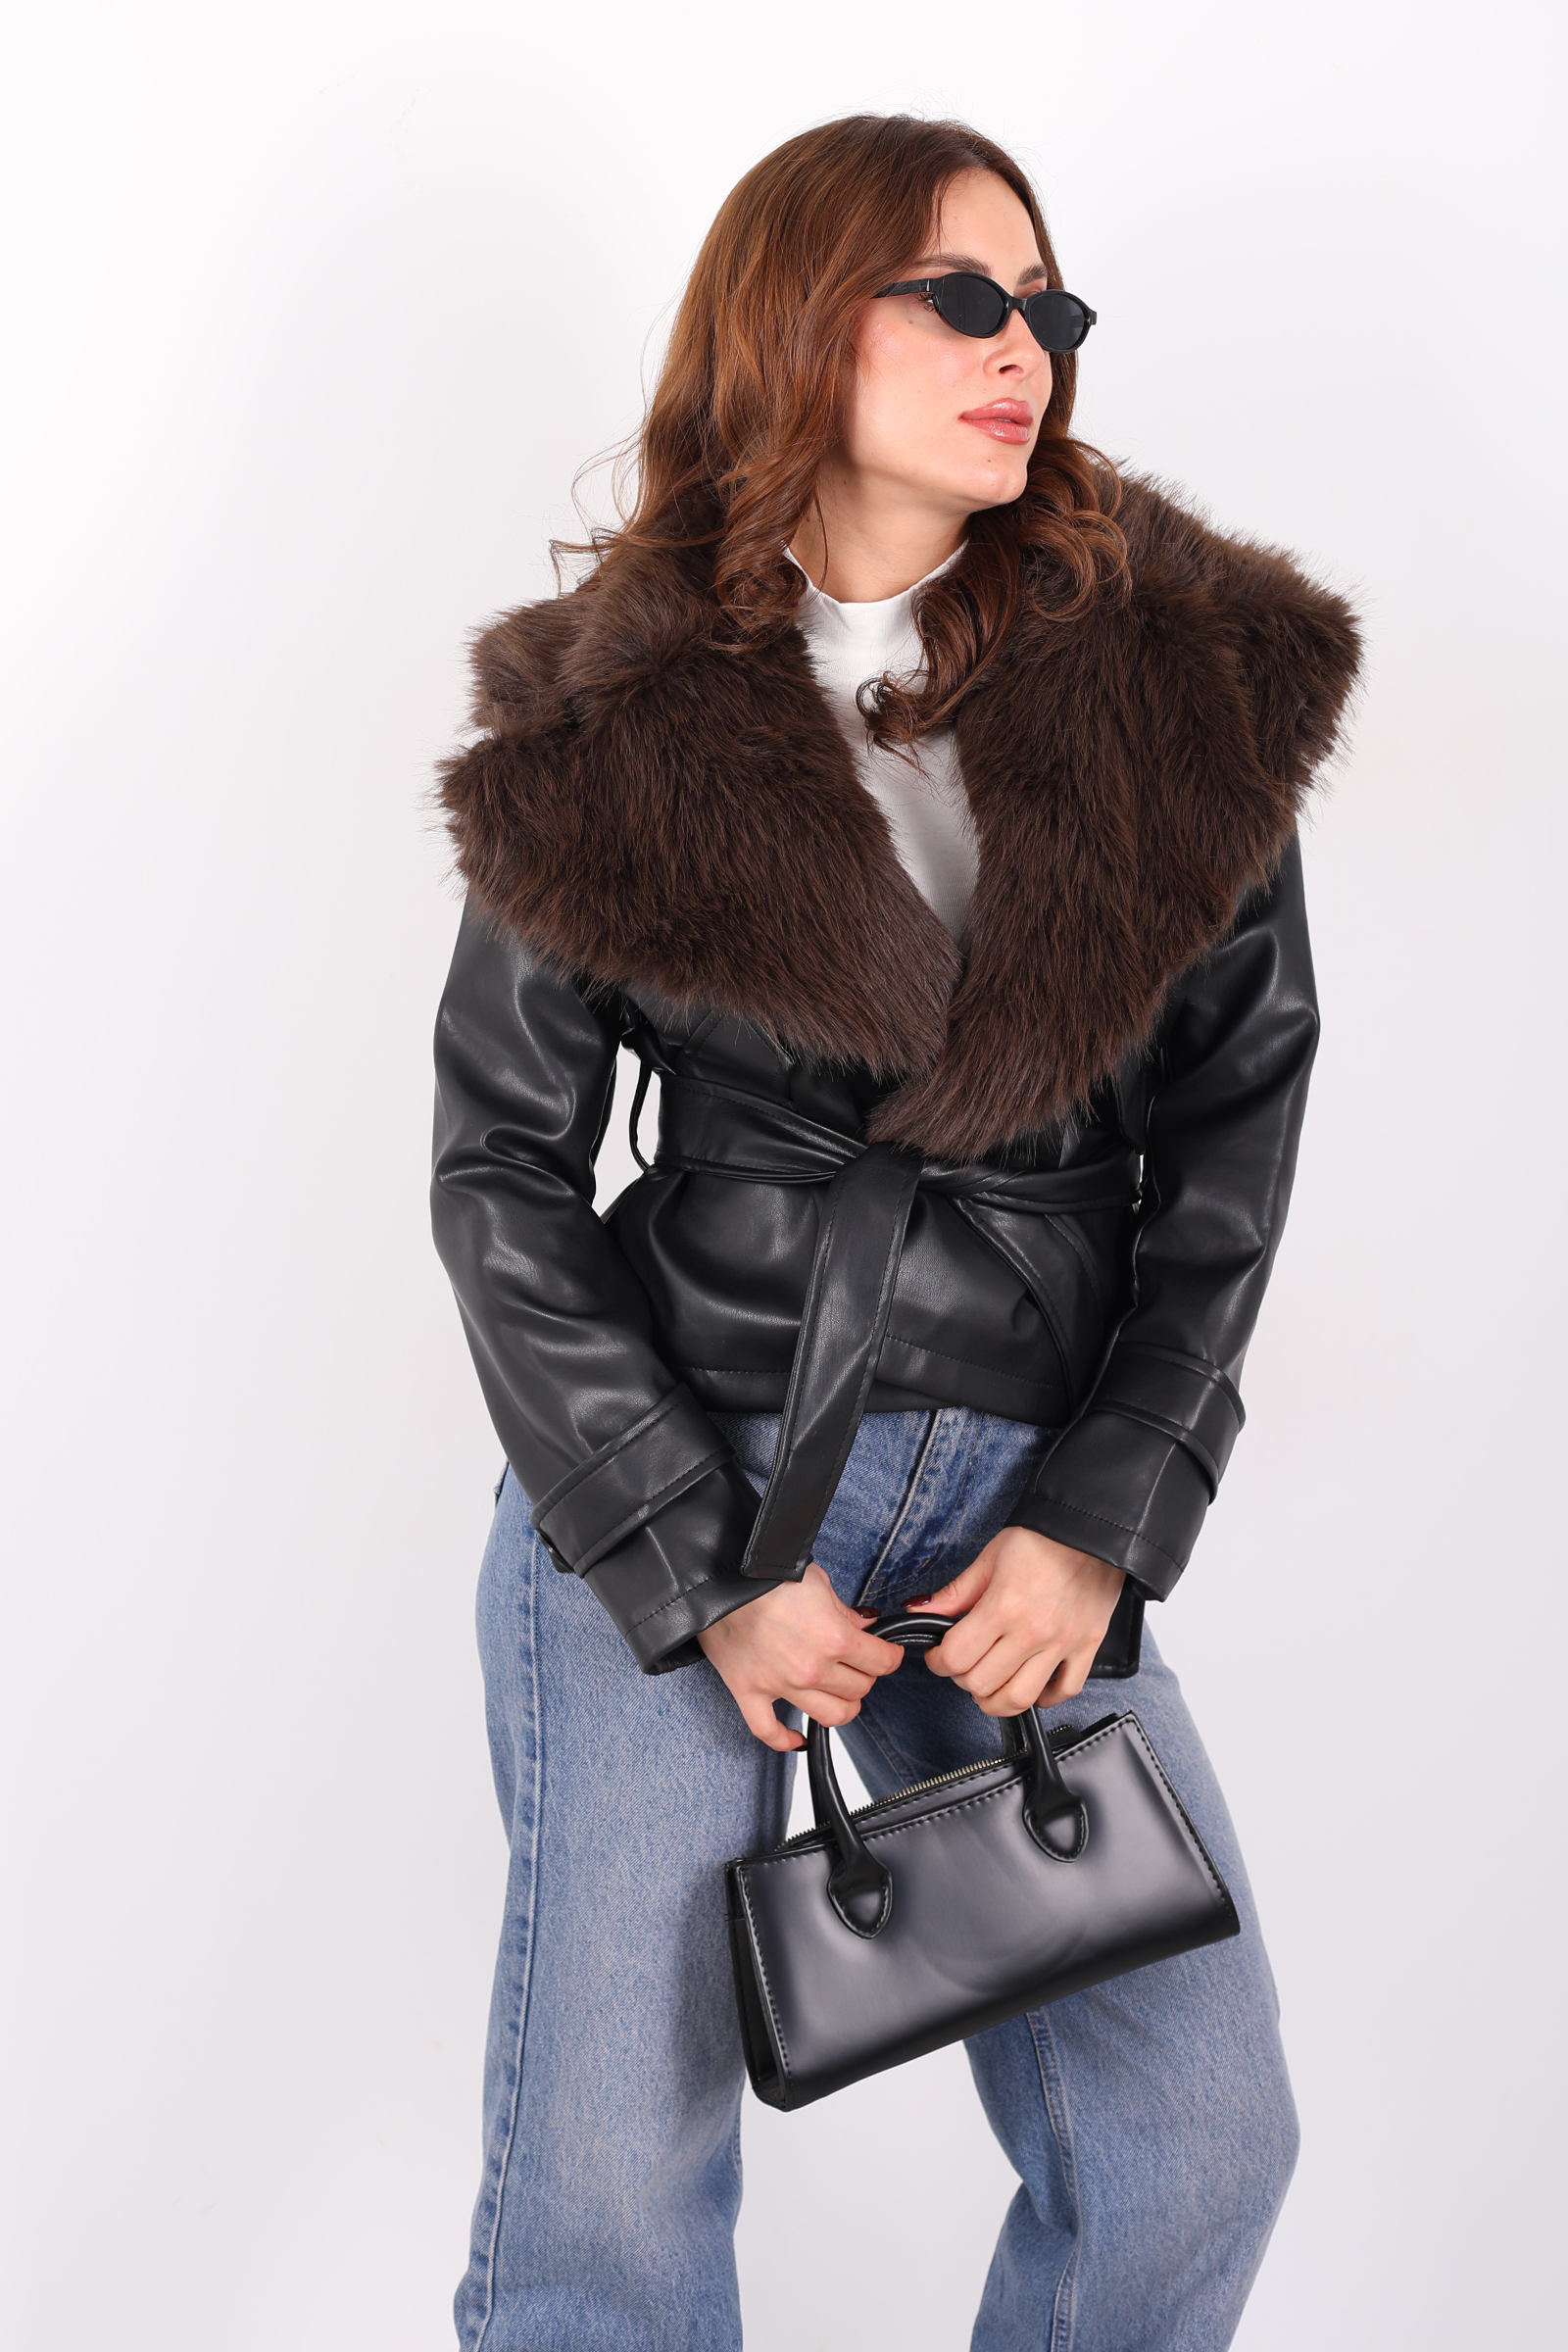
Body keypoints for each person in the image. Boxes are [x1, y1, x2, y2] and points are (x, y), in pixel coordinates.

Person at [429, 112, 1360, 2352]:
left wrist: (1104, 1515)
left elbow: (1231, 1132)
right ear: (795, 318)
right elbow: (502, 1173)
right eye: (958, 298)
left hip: (1022, 1526)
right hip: (698, 1486)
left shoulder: (1178, 685)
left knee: (1190, 2137)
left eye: (1045, 307)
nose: (1019, 346)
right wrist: (697, 1570)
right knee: (605, 2199)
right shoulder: (612, 708)